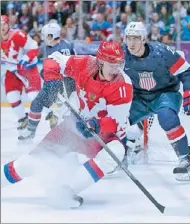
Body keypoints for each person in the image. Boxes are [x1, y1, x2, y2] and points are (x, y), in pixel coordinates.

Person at [1, 41, 133, 208]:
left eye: (119, 64)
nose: (117, 70)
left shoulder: (123, 85)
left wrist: (96, 125)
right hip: (73, 127)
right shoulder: (84, 63)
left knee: (116, 152)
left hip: (106, 137)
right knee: (32, 161)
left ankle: (67, 190)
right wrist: (52, 79)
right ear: (100, 62)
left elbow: (115, 121)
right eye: (112, 65)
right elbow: (53, 59)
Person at [123, 22, 190, 181]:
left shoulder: (163, 52)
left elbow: (187, 72)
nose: (132, 43)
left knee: (167, 117)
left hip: (165, 93)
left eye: (136, 38)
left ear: (144, 39)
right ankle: (120, 153)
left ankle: (185, 160)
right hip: (138, 96)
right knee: (118, 120)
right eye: (128, 38)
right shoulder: (121, 55)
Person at [18, 22, 76, 140]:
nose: (43, 38)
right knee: (39, 105)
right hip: (53, 83)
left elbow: (67, 69)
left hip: (59, 84)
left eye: (45, 36)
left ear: (51, 36)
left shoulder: (63, 48)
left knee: (47, 108)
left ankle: (53, 132)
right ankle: (37, 128)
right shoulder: (51, 46)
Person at [1, 15, 41, 132]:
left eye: (4, 24)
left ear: (8, 25)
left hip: (28, 69)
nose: (2, 27)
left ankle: (52, 113)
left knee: (33, 97)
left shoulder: (17, 35)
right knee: (11, 96)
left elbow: (34, 46)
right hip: (12, 71)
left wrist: (26, 58)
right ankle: (23, 119)